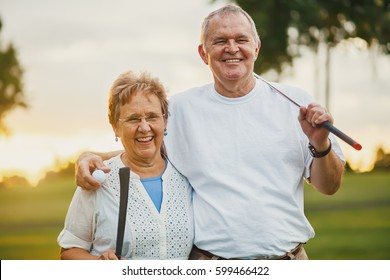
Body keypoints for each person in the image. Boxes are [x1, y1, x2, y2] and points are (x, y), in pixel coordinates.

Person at [75, 4, 345, 260]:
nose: (232, 48)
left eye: (241, 39)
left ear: (256, 47)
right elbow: (144, 148)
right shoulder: (180, 109)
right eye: (219, 41)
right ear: (203, 53)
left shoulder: (296, 102)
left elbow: (329, 186)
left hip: (289, 260)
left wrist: (320, 144)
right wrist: (91, 155)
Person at [57, 70, 194, 260]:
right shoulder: (98, 180)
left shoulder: (186, 174)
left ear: (165, 121)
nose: (144, 127)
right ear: (115, 126)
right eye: (133, 119)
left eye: (152, 117)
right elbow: (69, 250)